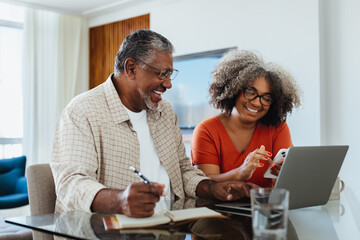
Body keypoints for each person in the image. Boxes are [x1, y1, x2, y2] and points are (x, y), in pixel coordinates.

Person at [51, 30, 256, 218]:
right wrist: (120, 201)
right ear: (131, 68)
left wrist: (212, 188)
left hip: (168, 228)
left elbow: (183, 171)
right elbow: (70, 184)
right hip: (104, 231)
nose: (168, 84)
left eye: (170, 74)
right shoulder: (82, 111)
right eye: (161, 74)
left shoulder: (165, 111)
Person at [191, 50, 301, 188]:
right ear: (234, 89)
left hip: (266, 207)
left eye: (266, 98)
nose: (256, 103)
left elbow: (285, 185)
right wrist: (240, 173)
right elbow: (203, 185)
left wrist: (284, 177)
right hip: (218, 208)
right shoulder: (207, 130)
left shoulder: (278, 128)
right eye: (251, 92)